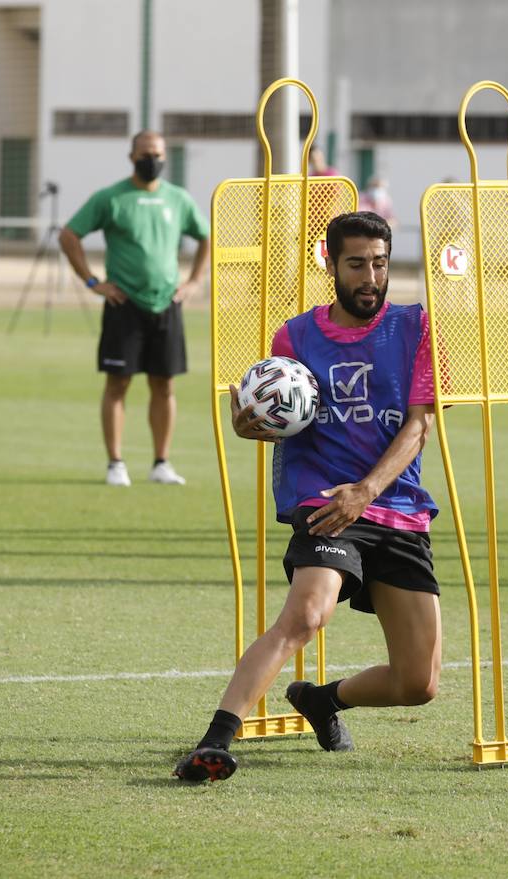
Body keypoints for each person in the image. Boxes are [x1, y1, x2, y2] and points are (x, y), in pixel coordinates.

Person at [173, 212, 441, 782]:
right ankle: (215, 740)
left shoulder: (416, 328)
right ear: (331, 264)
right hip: (327, 503)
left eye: (380, 263)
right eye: (356, 264)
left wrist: (367, 492)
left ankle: (323, 700)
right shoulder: (294, 336)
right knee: (305, 616)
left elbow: (419, 426)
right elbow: (273, 406)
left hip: (394, 506)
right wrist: (252, 425)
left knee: (418, 684)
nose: (370, 276)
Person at [59, 131, 210, 488]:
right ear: (131, 157)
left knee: (164, 385)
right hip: (123, 304)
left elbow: (206, 236)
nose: (152, 159)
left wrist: (192, 282)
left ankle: (161, 462)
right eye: (145, 153)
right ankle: (116, 463)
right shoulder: (112, 198)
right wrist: (93, 282)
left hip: (166, 304)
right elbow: (69, 236)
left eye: (157, 153)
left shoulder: (178, 199)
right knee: (118, 383)